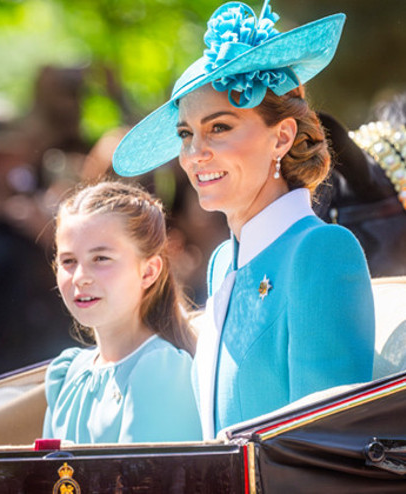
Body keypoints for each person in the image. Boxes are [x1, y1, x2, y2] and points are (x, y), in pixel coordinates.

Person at [112, 0, 375, 439]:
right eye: (185, 134)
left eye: (219, 127)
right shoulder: (222, 262)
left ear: (282, 137)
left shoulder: (321, 250)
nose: (195, 153)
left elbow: (329, 444)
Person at [42, 181, 202, 444]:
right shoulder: (66, 374)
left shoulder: (159, 370)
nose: (80, 277)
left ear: (148, 271)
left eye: (101, 258)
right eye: (68, 261)